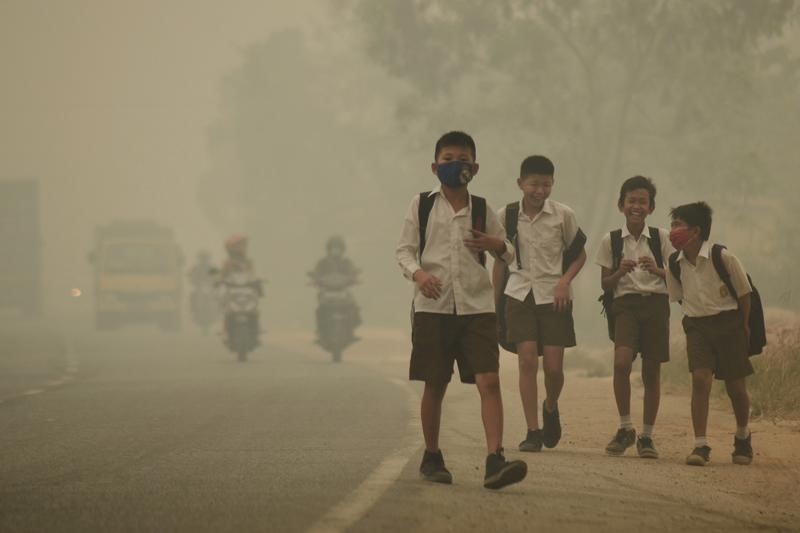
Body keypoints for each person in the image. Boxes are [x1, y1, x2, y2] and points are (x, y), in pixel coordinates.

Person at [396, 130, 527, 490]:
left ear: (476, 167)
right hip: (432, 308)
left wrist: (495, 243)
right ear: (435, 166)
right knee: (435, 384)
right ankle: (432, 455)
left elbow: (509, 252)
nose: (456, 166)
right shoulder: (421, 204)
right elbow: (404, 251)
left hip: (477, 307)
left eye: (463, 160)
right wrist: (419, 274)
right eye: (449, 159)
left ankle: (494, 459)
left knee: (489, 380)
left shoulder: (483, 209)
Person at [493, 155, 586, 453]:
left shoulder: (563, 215)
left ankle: (550, 406)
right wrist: (496, 303)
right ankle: (533, 431)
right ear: (520, 183)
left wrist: (564, 282)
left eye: (546, 185)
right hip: (518, 294)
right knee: (527, 360)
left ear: (552, 184)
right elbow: (499, 263)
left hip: (554, 296)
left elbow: (580, 254)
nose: (539, 191)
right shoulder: (505, 216)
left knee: (555, 369)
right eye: (534, 184)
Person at [665, 202, 754, 466]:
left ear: (696, 230)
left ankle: (742, 436)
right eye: (672, 225)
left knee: (736, 386)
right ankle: (700, 444)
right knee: (700, 380)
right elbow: (679, 297)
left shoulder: (722, 256)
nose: (673, 231)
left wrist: (744, 325)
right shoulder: (674, 263)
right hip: (697, 326)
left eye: (678, 225)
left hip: (729, 324)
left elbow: (744, 292)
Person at [596, 176, 674, 459]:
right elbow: (605, 284)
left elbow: (678, 277)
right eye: (632, 201)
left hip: (655, 305)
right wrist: (619, 272)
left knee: (651, 371)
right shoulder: (612, 240)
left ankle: (647, 436)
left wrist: (656, 270)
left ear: (651, 207)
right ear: (621, 205)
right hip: (625, 306)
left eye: (643, 201)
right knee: (621, 363)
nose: (637, 206)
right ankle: (625, 427)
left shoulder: (662, 238)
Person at [308, 236, 361, 345]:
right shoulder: (322, 262)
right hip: (326, 291)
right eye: (333, 248)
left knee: (353, 306)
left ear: (342, 249)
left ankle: (351, 330)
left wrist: (354, 278)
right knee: (320, 310)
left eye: (338, 248)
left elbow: (352, 273)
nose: (335, 250)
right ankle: (321, 330)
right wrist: (315, 279)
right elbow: (316, 273)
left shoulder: (346, 262)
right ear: (328, 249)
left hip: (342, 291)